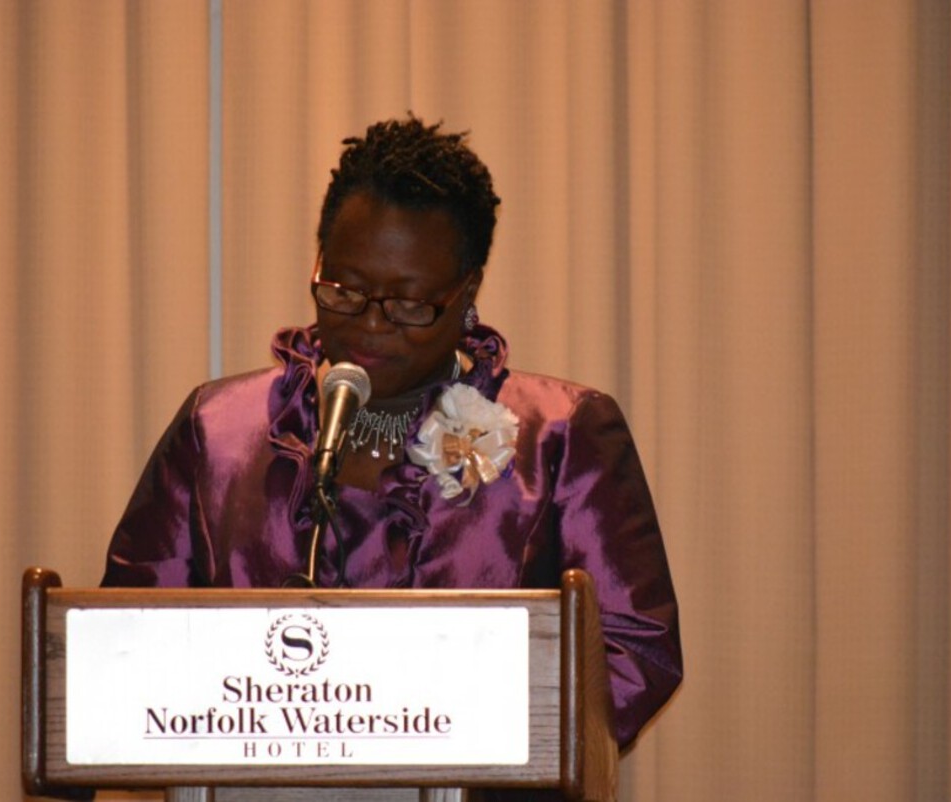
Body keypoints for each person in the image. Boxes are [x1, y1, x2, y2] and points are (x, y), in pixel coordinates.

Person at [103, 116, 682, 756]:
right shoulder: (217, 431)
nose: (371, 325)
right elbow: (125, 638)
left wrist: (447, 735)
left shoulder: (559, 436)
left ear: (467, 292)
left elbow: (634, 652)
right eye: (345, 290)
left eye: (409, 303)